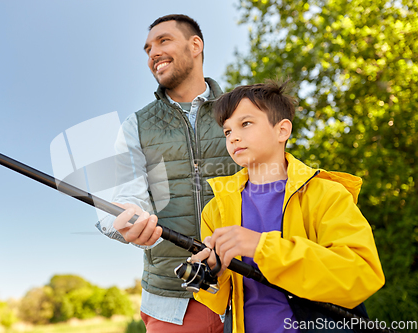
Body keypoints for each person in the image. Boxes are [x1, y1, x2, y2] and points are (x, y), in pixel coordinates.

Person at [190, 81, 385, 333]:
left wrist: (262, 247)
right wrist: (212, 273)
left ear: (282, 130)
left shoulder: (327, 194)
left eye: (245, 124)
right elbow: (220, 304)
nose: (233, 137)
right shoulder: (215, 210)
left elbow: (360, 274)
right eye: (227, 131)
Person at [95, 14, 238, 332]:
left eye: (163, 41)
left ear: (195, 45)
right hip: (173, 303)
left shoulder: (240, 110)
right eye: (147, 49)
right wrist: (128, 220)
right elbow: (126, 196)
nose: (152, 53)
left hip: (248, 294)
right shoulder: (136, 125)